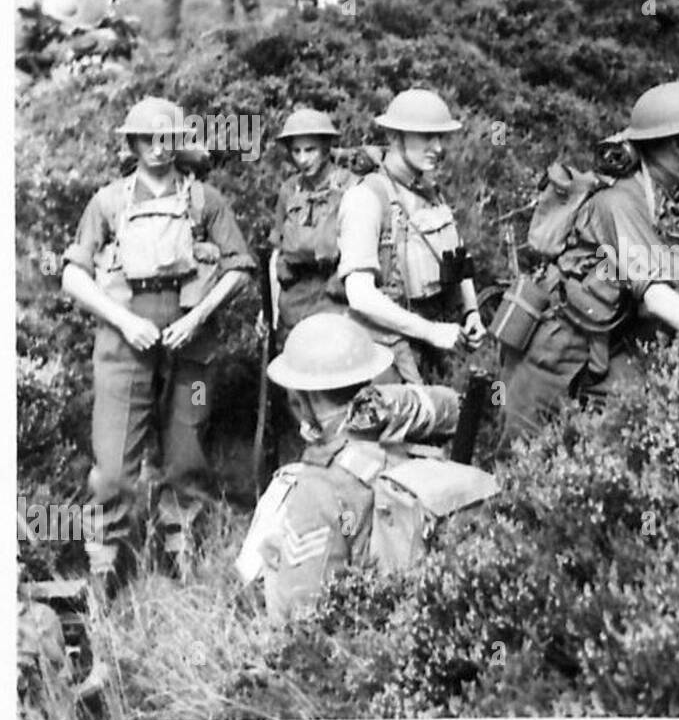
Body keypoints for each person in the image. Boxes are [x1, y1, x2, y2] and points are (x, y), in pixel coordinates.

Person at [61, 97, 255, 586]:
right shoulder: (107, 202)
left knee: (188, 454)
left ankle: (184, 557)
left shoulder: (205, 200)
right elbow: (72, 277)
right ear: (133, 143)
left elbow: (240, 267)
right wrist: (123, 321)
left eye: (167, 139)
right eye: (148, 139)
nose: (158, 149)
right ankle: (106, 570)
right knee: (112, 467)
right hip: (125, 346)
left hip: (191, 349)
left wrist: (201, 316)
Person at [496, 81, 679, 445]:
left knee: (620, 442)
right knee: (520, 455)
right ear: (673, 142)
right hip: (555, 345)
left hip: (614, 344)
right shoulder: (620, 201)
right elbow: (655, 295)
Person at [236, 313, 497, 621]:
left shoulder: (319, 485)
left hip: (362, 638)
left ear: (300, 400)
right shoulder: (402, 427)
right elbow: (452, 405)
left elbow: (303, 610)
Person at [332, 89, 485, 383]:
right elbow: (360, 294)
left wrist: (471, 312)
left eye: (440, 137)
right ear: (395, 137)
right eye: (426, 136)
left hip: (432, 348)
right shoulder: (367, 198)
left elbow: (458, 256)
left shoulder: (430, 192)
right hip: (383, 353)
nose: (438, 147)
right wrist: (431, 332)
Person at [268, 108, 359, 342]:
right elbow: (276, 253)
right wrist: (270, 308)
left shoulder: (351, 186)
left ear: (326, 148)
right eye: (296, 151)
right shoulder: (289, 189)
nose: (303, 159)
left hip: (335, 301)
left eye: (310, 150)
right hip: (292, 303)